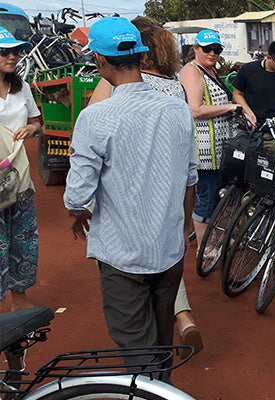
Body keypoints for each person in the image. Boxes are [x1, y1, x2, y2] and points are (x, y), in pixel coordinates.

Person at [63, 17, 197, 379]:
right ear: (139, 54)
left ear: (100, 61)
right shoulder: (177, 109)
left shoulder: (96, 117)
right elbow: (189, 180)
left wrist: (77, 212)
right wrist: (184, 228)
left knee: (137, 346)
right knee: (162, 340)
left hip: (122, 253)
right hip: (168, 250)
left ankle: (151, 390)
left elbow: (77, 194)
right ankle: (162, 385)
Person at [180, 30, 243, 247]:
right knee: (206, 199)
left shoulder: (211, 71)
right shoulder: (192, 71)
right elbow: (195, 110)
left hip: (221, 148)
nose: (212, 53)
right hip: (205, 152)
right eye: (207, 49)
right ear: (195, 49)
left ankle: (216, 237)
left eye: (217, 50)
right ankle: (204, 246)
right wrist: (230, 107)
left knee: (219, 197)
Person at [0, 27, 41, 312]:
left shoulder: (22, 86)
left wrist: (31, 128)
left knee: (23, 235)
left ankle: (19, 295)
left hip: (19, 175)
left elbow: (38, 123)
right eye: (5, 51)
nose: (13, 56)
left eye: (16, 51)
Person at [233, 39, 275, 127]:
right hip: (249, 124)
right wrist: (249, 113)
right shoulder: (248, 70)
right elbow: (237, 94)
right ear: (269, 58)